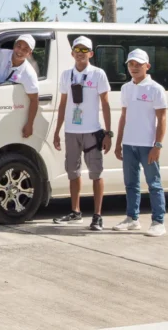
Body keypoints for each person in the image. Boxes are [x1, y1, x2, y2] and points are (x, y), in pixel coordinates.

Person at [52, 36, 113, 230]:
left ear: (91, 54)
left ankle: (97, 215)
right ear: (72, 53)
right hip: (71, 131)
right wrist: (57, 130)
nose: (80, 53)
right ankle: (75, 211)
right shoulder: (66, 75)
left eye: (84, 50)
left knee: (96, 173)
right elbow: (63, 104)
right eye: (77, 49)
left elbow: (105, 103)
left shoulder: (98, 74)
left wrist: (108, 133)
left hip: (92, 131)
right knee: (73, 172)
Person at [113, 49, 168, 237]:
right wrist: (118, 142)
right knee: (131, 183)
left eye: (138, 64)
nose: (134, 68)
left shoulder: (155, 89)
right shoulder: (126, 88)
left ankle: (158, 221)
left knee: (154, 183)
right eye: (131, 64)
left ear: (147, 66)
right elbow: (123, 116)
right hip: (129, 144)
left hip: (148, 145)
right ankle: (132, 219)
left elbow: (162, 119)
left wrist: (157, 145)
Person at [0, 34, 40, 138]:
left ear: (29, 53)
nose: (20, 51)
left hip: (6, 109)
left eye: (25, 49)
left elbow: (34, 100)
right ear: (14, 46)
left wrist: (30, 124)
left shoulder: (29, 74)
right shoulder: (0, 54)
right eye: (18, 46)